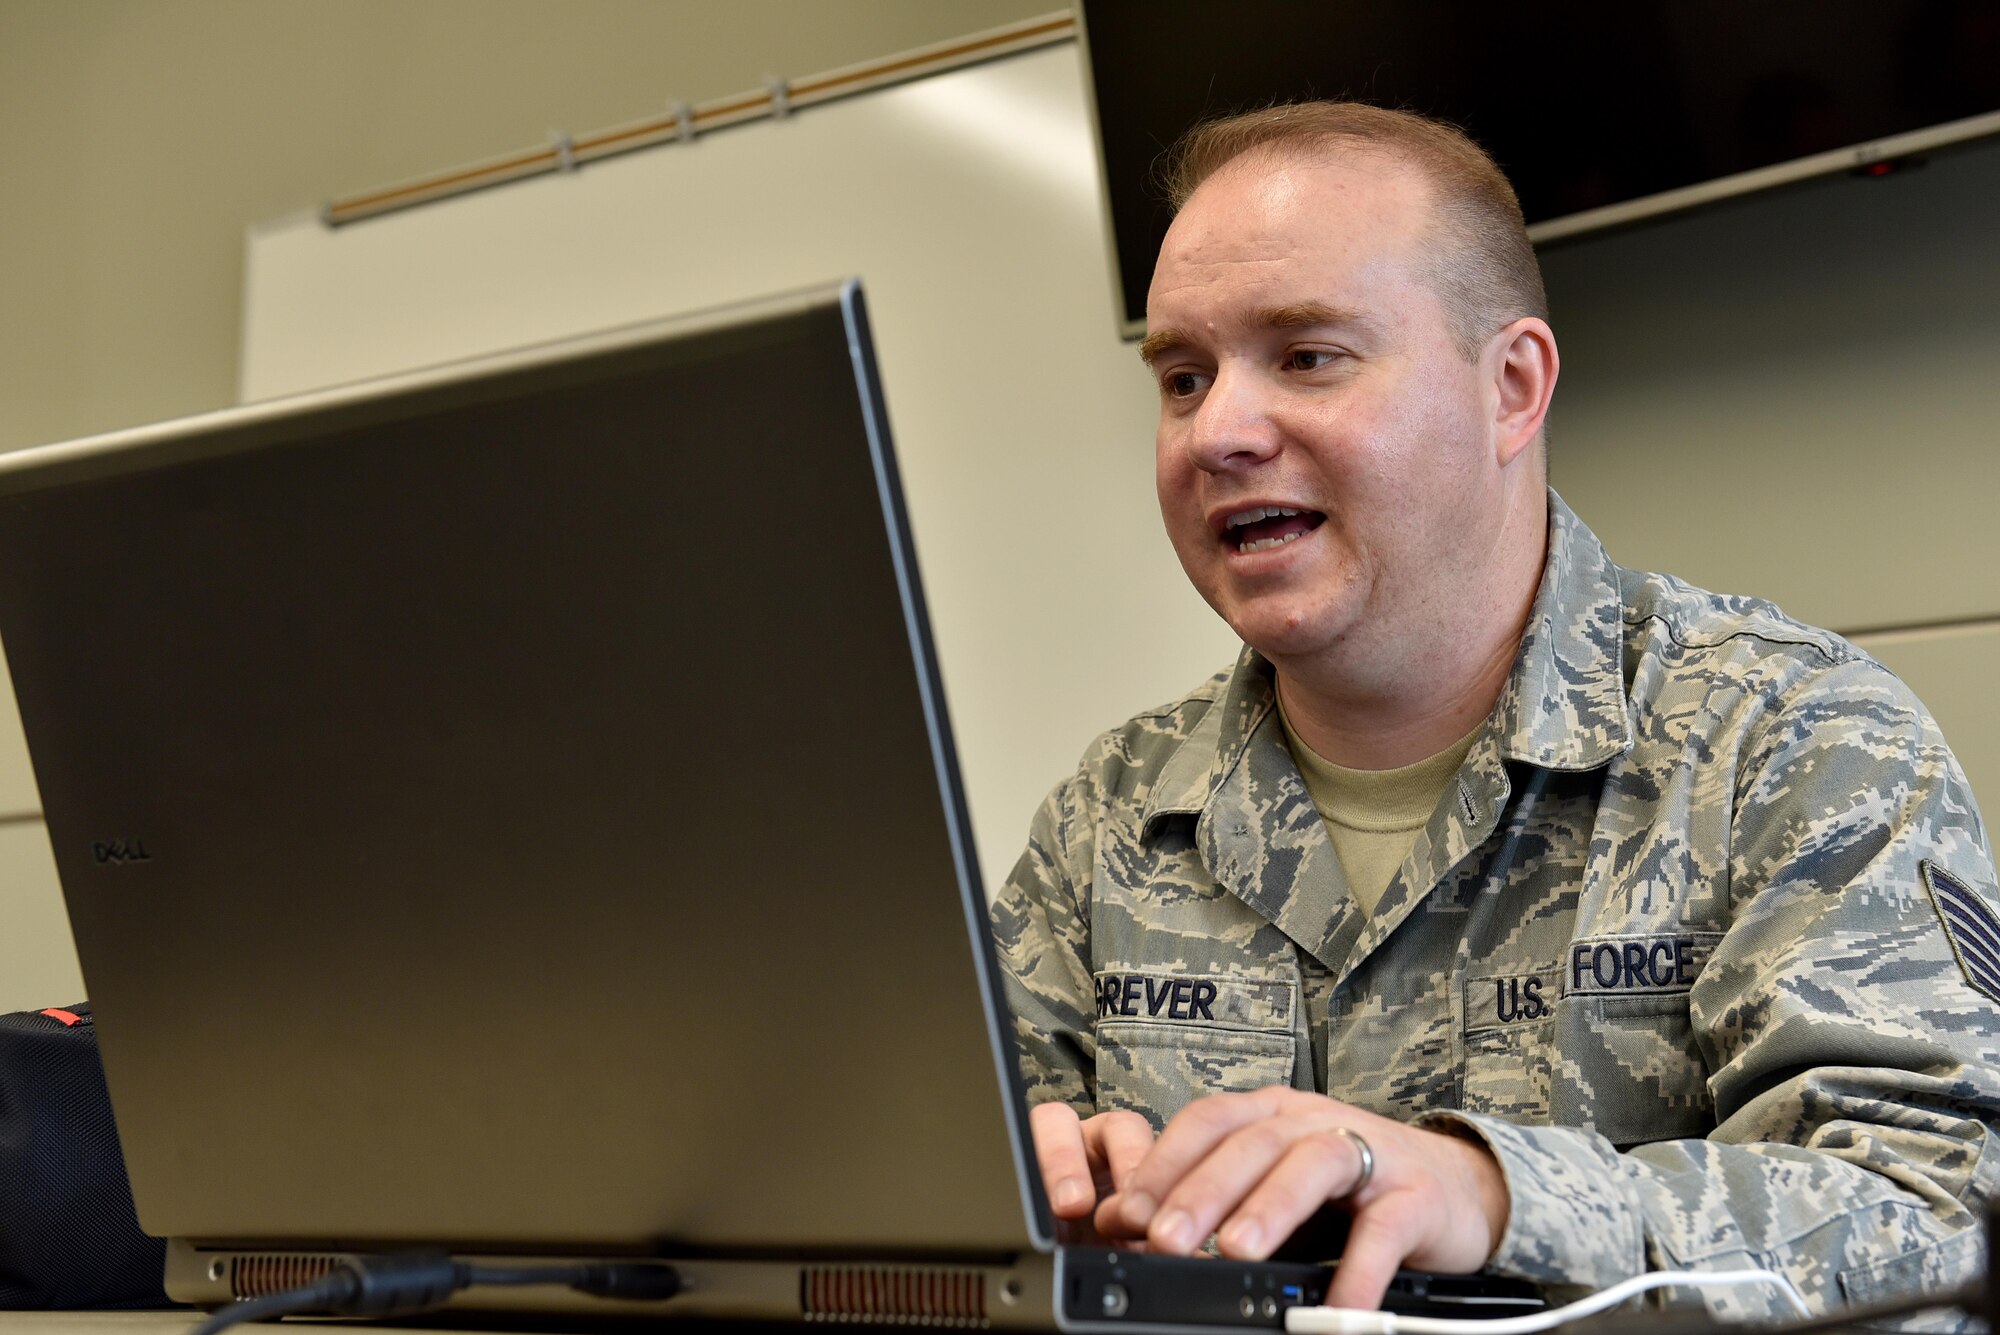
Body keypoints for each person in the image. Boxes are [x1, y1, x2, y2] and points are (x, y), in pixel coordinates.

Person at [991, 101, 2000, 1320]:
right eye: (1181, 376)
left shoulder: (1785, 741)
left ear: (1510, 386)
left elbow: (1934, 1221)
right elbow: (950, 1206)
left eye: (1307, 355)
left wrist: (1492, 1195)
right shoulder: (1111, 816)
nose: (1218, 432)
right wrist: (1014, 1197)